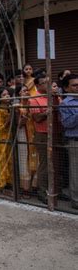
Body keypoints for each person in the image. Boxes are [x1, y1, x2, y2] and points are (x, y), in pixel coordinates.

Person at [29, 74, 49, 203]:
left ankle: (54, 190)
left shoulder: (53, 97)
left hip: (55, 133)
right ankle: (42, 192)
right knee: (45, 165)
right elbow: (37, 118)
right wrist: (47, 112)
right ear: (37, 85)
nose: (47, 85)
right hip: (42, 134)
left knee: (56, 164)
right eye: (44, 83)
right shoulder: (34, 99)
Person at [59, 74, 78, 209]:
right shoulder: (65, 103)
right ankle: (76, 200)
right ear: (66, 88)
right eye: (74, 85)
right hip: (75, 140)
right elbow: (67, 123)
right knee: (75, 171)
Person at [15, 85, 38, 197]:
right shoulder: (17, 106)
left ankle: (35, 186)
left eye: (27, 90)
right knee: (24, 159)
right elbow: (17, 124)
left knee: (35, 158)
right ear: (19, 94)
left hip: (34, 133)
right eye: (23, 91)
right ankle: (25, 188)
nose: (26, 92)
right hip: (23, 134)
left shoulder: (33, 103)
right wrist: (23, 119)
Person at [0, 87, 13, 193]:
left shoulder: (9, 108)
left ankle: (9, 182)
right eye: (4, 95)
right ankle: (1, 184)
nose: (7, 96)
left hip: (10, 138)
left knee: (10, 161)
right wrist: (9, 119)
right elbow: (0, 128)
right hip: (3, 139)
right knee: (2, 161)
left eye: (8, 94)